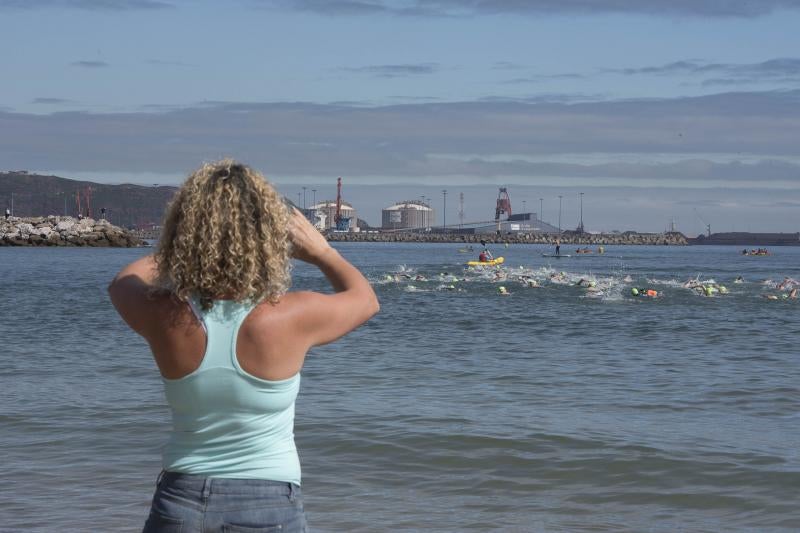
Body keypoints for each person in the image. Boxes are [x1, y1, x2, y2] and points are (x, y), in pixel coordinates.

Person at [108, 160, 379, 532]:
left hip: (180, 505)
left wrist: (184, 245)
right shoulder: (290, 316)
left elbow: (124, 281)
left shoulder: (163, 315)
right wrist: (322, 253)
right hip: (268, 508)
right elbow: (365, 300)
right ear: (266, 237)